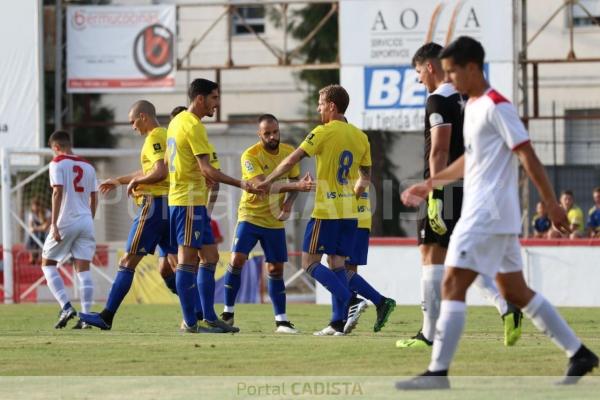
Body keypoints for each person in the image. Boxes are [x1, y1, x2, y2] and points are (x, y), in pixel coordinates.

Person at [396, 36, 598, 390]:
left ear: (472, 68)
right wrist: (430, 185)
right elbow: (468, 159)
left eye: (453, 71)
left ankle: (438, 372)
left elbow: (527, 155)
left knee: (451, 281)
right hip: (492, 213)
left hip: (484, 213)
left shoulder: (496, 106)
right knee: (516, 291)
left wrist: (551, 203)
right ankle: (579, 353)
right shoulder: (471, 106)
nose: (449, 79)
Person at [396, 42, 522, 349]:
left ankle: (429, 333)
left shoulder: (438, 100)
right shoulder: (468, 99)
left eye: (417, 72)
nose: (418, 80)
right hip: (469, 185)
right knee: (458, 257)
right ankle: (505, 305)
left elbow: (439, 148)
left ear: (429, 67)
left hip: (445, 188)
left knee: (431, 253)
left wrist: (435, 194)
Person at [257, 84, 374, 336]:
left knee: (308, 262)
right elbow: (365, 178)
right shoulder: (361, 136)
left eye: (320, 104)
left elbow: (292, 160)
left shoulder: (322, 132)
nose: (318, 108)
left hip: (326, 210)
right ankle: (337, 322)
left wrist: (268, 181)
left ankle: (352, 300)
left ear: (332, 106)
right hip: (350, 211)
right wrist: (350, 197)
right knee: (337, 264)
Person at [166, 78, 260, 333]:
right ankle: (190, 323)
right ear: (200, 99)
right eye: (214, 98)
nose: (217, 104)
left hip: (192, 202)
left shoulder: (175, 122)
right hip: (187, 202)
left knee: (210, 256)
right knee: (186, 261)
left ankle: (209, 316)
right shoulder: (193, 126)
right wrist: (242, 183)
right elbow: (208, 170)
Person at [79, 100, 180, 330]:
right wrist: (119, 180)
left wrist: (137, 181)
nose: (132, 126)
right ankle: (197, 314)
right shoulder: (166, 136)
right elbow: (151, 169)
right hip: (171, 207)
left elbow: (159, 172)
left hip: (154, 207)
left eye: (133, 121)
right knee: (171, 266)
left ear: (143, 116)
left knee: (127, 261)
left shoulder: (154, 137)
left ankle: (106, 316)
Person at [221, 114, 313, 333]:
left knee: (275, 268)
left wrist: (289, 204)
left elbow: (293, 183)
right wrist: (297, 187)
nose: (272, 137)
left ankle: (281, 320)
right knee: (237, 259)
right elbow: (262, 186)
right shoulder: (250, 155)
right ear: (259, 134)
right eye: (267, 133)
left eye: (275, 132)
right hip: (250, 215)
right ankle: (227, 313)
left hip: (274, 220)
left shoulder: (289, 152)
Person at [41, 130, 97, 329]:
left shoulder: (57, 163)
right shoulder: (88, 166)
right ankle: (86, 317)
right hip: (86, 220)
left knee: (47, 264)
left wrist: (54, 223)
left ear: (56, 147)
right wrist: (89, 219)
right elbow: (94, 197)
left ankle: (66, 306)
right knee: (83, 269)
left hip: (66, 220)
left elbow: (57, 192)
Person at [343, 187, 397, 332]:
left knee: (338, 269)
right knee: (347, 271)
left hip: (352, 220)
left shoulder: (352, 166)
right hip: (359, 219)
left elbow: (359, 184)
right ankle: (346, 318)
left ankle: (380, 301)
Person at [25, 197, 51, 264]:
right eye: (34, 206)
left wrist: (35, 228)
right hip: (37, 232)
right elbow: (31, 227)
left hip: (47, 232)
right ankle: (32, 257)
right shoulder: (32, 214)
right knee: (32, 236)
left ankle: (41, 257)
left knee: (43, 236)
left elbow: (45, 227)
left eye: (37, 206)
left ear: (39, 206)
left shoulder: (47, 213)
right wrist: (35, 229)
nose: (35, 209)